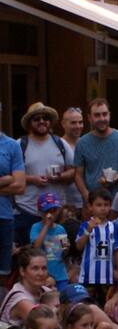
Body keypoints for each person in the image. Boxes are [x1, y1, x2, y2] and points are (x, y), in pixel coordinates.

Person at [13, 103, 75, 246]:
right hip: (27, 211)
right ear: (29, 123)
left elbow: (73, 171)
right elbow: (12, 176)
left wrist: (60, 177)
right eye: (36, 119)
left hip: (57, 213)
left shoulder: (60, 143)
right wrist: (32, 179)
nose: (41, 121)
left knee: (58, 254)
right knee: (29, 255)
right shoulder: (19, 145)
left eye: (45, 118)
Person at [73, 99, 118, 201]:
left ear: (109, 115)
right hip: (94, 201)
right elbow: (78, 175)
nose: (102, 118)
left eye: (105, 114)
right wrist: (87, 197)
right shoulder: (82, 143)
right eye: (97, 115)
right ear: (89, 117)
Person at [75, 189, 118, 304]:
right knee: (87, 307)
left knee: (104, 305)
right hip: (88, 276)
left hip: (107, 276)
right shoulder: (85, 225)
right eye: (99, 205)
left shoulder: (113, 227)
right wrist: (88, 231)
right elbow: (79, 246)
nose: (103, 208)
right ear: (90, 207)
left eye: (106, 205)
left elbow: (117, 249)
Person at [0, 108, 26, 278]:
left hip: (4, 216)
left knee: (3, 273)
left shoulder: (12, 145)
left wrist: (13, 179)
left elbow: (20, 185)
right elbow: (13, 181)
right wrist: (7, 178)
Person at [59, 105, 85, 215]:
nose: (78, 126)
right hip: (66, 205)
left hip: (86, 203)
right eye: (73, 123)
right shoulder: (58, 145)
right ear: (63, 124)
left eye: (80, 122)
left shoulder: (86, 144)